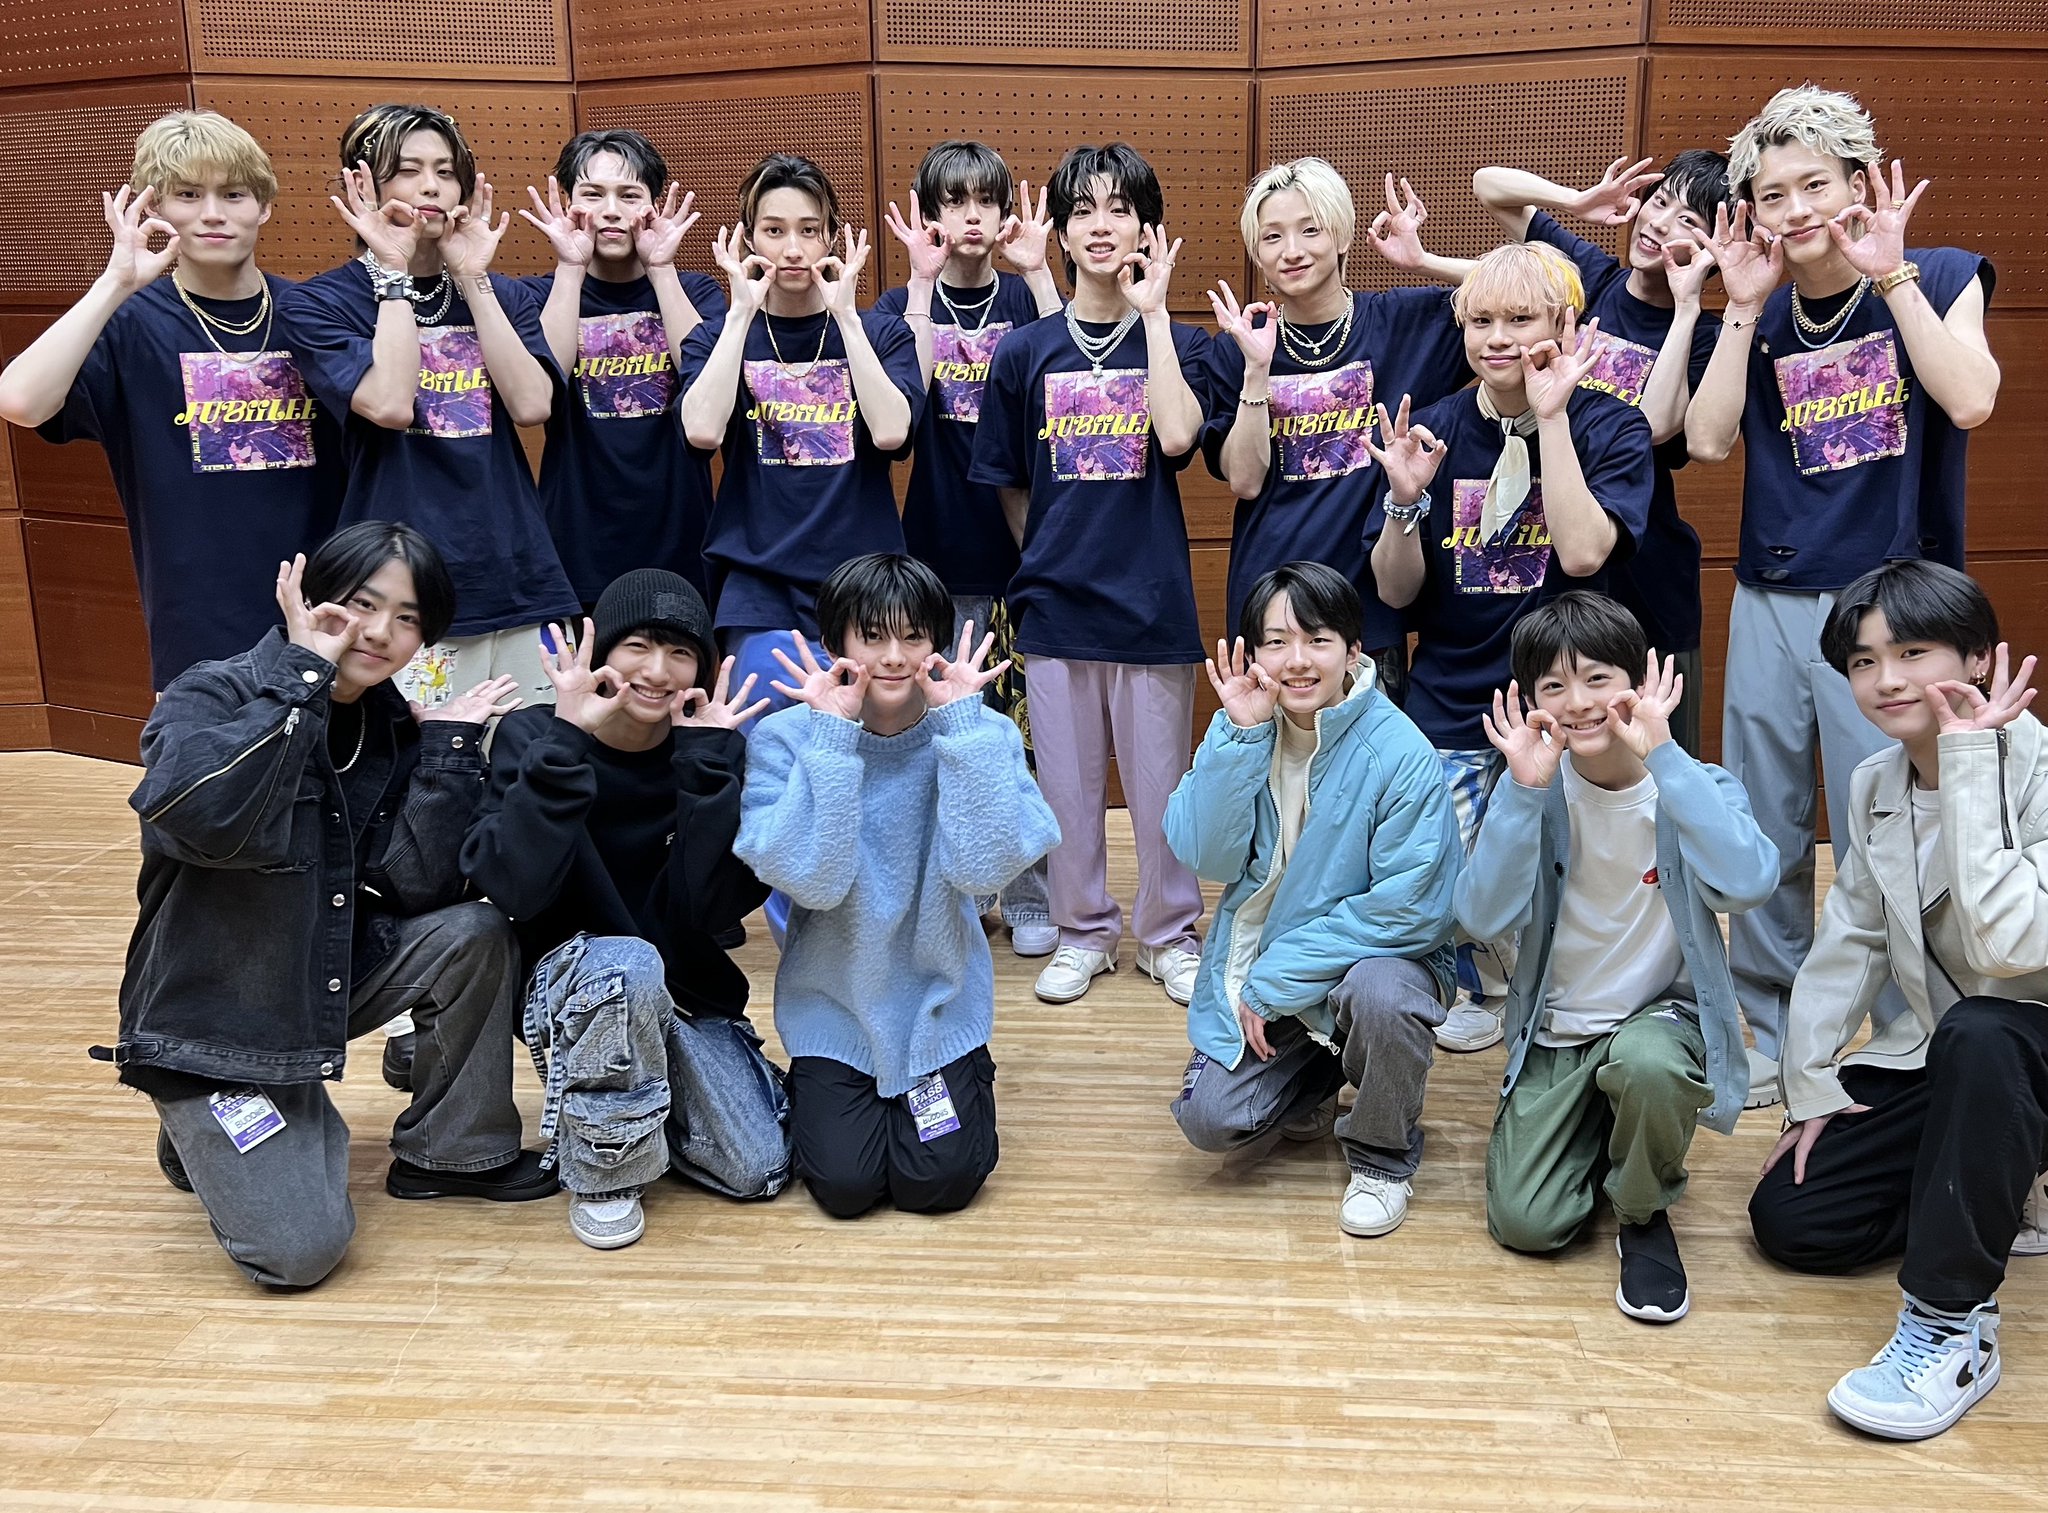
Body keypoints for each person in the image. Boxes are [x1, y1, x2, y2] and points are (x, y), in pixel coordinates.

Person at [106, 521, 548, 1289]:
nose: (379, 632)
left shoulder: (385, 720)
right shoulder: (214, 690)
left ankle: (451, 1151)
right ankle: (211, 1110)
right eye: (361, 604)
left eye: (407, 618)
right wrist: (303, 678)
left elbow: (418, 889)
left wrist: (445, 752)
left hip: (318, 977)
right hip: (213, 1018)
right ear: (306, 600)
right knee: (300, 1250)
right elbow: (202, 821)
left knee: (473, 931)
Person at [1685, 85, 2000, 1106]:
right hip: (1773, 591)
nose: (1795, 210)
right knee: (1767, 824)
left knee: (1893, 829)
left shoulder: (1940, 273)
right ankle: (1773, 1028)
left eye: (1813, 184)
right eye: (1772, 195)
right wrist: (1738, 309)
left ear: (1860, 181)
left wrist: (1891, 275)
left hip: (1895, 608)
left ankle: (1908, 1035)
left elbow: (1970, 398)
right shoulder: (1760, 305)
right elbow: (1706, 439)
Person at [1748, 560, 2044, 1440]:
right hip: (1947, 1057)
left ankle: (1951, 1321)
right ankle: (1997, 1190)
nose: (1886, 680)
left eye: (1913, 652)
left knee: (1985, 1032)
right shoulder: (1876, 782)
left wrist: (1967, 760)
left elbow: (2006, 944)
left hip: (2021, 1049)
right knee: (1795, 1217)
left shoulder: (2038, 771)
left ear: (1980, 658)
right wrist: (1810, 1087)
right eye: (1864, 661)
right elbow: (1849, 944)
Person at [1365, 241, 1653, 1055]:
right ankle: (1471, 982)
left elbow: (1585, 552)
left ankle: (1559, 984)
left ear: (1565, 323)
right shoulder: (1434, 428)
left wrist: (1551, 417)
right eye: (1481, 320)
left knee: (1567, 858)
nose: (1497, 338)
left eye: (1520, 319)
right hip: (1453, 693)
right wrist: (1404, 502)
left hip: (1568, 701)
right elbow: (1394, 591)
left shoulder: (1611, 425)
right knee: (1448, 863)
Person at [1458, 593, 1776, 1322]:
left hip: (1658, 1022)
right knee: (1527, 1224)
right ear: (1530, 701)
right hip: (1558, 1032)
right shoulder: (1532, 791)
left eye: (1597, 678)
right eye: (1554, 685)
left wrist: (1667, 758)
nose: (1578, 702)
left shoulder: (1694, 785)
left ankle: (1642, 1209)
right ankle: (1610, 1130)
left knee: (1649, 1066)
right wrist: (1522, 793)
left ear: (1640, 681)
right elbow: (1480, 916)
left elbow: (1750, 882)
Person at [461, 569, 791, 1250]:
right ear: (601, 652)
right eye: (637, 646)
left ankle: (632, 1100)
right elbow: (514, 887)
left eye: (680, 652)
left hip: (683, 997)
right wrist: (567, 743)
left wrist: (705, 769)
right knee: (628, 962)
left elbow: (712, 909)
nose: (657, 671)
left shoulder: (711, 747)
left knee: (758, 1167)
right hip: (571, 989)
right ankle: (604, 1171)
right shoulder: (537, 735)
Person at [735, 554, 1058, 1217]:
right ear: (836, 643)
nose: (894, 656)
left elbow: (982, 874)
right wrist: (832, 738)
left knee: (937, 1182)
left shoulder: (980, 731)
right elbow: (814, 884)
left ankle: (956, 1081)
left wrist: (962, 733)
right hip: (833, 1009)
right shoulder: (787, 737)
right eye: (873, 636)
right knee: (846, 1187)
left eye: (913, 636)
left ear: (936, 641)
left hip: (940, 1007)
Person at [968, 141, 1211, 1008]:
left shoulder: (1181, 342)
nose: (1101, 226)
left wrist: (1155, 317)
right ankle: (1083, 932)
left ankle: (1169, 934)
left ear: (1148, 228)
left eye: (1120, 209)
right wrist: (1050, 553)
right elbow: (1009, 482)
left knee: (1161, 793)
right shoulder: (1024, 351)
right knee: (1067, 792)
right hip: (1056, 604)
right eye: (1083, 211)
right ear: (1062, 234)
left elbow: (1177, 438)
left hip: (1152, 603)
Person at [1383, 150, 1731, 753]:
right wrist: (1577, 201)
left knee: (1642, 750)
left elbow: (1653, 425)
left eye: (1689, 222)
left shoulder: (1699, 338)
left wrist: (1685, 306)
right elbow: (1491, 191)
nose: (1660, 223)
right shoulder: (1595, 279)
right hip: (1513, 607)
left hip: (1631, 555)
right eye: (1659, 202)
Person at [1164, 562, 1459, 1238]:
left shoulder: (1399, 751)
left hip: (1378, 960)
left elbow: (1413, 908)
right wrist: (1237, 736)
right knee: (1211, 1121)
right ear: (1253, 653)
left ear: (1354, 651)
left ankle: (1382, 1157)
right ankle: (1325, 1073)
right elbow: (1204, 854)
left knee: (1382, 995)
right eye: (1276, 641)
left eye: (1317, 639)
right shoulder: (1249, 726)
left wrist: (1275, 978)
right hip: (1276, 971)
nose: (1296, 660)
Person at [0, 110, 342, 692]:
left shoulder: (313, 314)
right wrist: (114, 283)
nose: (212, 213)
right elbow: (20, 402)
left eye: (233, 194)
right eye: (188, 195)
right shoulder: (131, 322)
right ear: (155, 207)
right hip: (198, 634)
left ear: (263, 206)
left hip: (330, 618)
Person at [278, 102, 579, 714]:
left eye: (445, 171)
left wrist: (474, 279)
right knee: (426, 757)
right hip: (397, 593)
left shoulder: (505, 294)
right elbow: (390, 404)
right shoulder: (319, 304)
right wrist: (392, 274)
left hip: (518, 573)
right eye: (409, 170)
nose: (432, 186)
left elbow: (532, 405)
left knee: (535, 755)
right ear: (363, 185)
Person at [876, 140, 1065, 959]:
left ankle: (1028, 894)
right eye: (954, 201)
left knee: (1023, 739)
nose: (972, 216)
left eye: (986, 199)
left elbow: (1074, 375)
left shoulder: (1024, 299)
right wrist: (920, 286)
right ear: (929, 215)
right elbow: (905, 410)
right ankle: (961, 891)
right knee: (946, 736)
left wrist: (1044, 271)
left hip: (1026, 550)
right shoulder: (901, 303)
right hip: (938, 553)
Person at [1205, 162, 1471, 702]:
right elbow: (1245, 481)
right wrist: (1256, 370)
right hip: (1270, 611)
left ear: (1343, 235)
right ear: (1257, 254)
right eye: (1272, 237)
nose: (1292, 250)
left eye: (1311, 229)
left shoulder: (1406, 324)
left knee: (1368, 758)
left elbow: (1538, 282)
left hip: (1366, 613)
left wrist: (1423, 260)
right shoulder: (1237, 347)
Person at [677, 154, 923, 714]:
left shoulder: (882, 333)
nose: (793, 249)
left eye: (809, 231)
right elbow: (702, 432)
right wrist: (740, 314)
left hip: (865, 587)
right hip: (759, 585)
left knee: (869, 754)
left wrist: (848, 319)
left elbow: (892, 434)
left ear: (832, 238)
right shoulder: (714, 337)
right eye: (774, 231)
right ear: (747, 240)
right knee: (769, 749)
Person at [517, 129, 722, 605]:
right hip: (576, 542)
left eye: (629, 196)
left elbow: (706, 386)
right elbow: (543, 390)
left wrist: (662, 269)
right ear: (568, 203)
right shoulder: (538, 297)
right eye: (593, 195)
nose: (611, 211)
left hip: (682, 538)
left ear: (653, 206)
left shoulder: (697, 293)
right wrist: (570, 268)